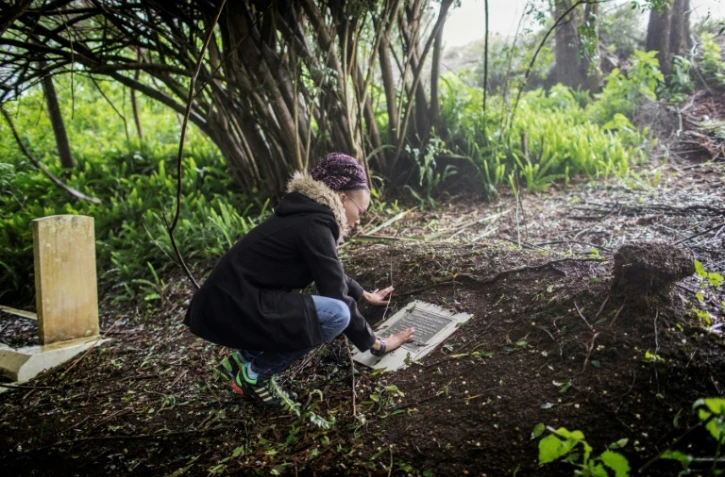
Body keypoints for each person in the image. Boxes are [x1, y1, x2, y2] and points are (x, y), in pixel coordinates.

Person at [184, 152, 415, 411]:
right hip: (235, 308)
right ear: (341, 198)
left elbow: (329, 269)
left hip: (225, 305)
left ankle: (241, 361)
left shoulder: (306, 215)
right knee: (337, 315)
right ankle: (255, 375)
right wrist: (377, 344)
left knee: (327, 311)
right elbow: (337, 297)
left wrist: (363, 294)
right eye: (361, 210)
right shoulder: (315, 225)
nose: (359, 220)